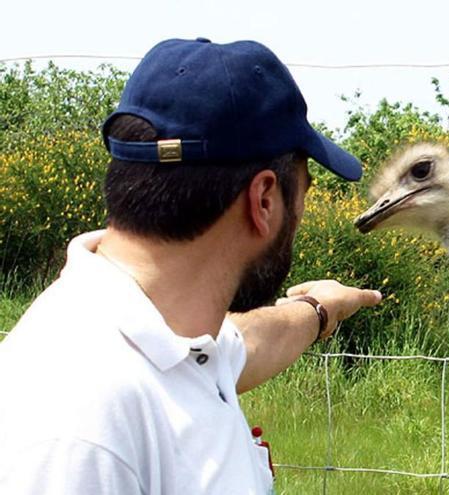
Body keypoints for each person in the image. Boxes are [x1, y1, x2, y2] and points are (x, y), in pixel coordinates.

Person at [0, 38, 382, 494]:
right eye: (305, 189)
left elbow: (246, 342)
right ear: (264, 200)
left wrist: (321, 310)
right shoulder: (79, 430)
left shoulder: (170, 337)